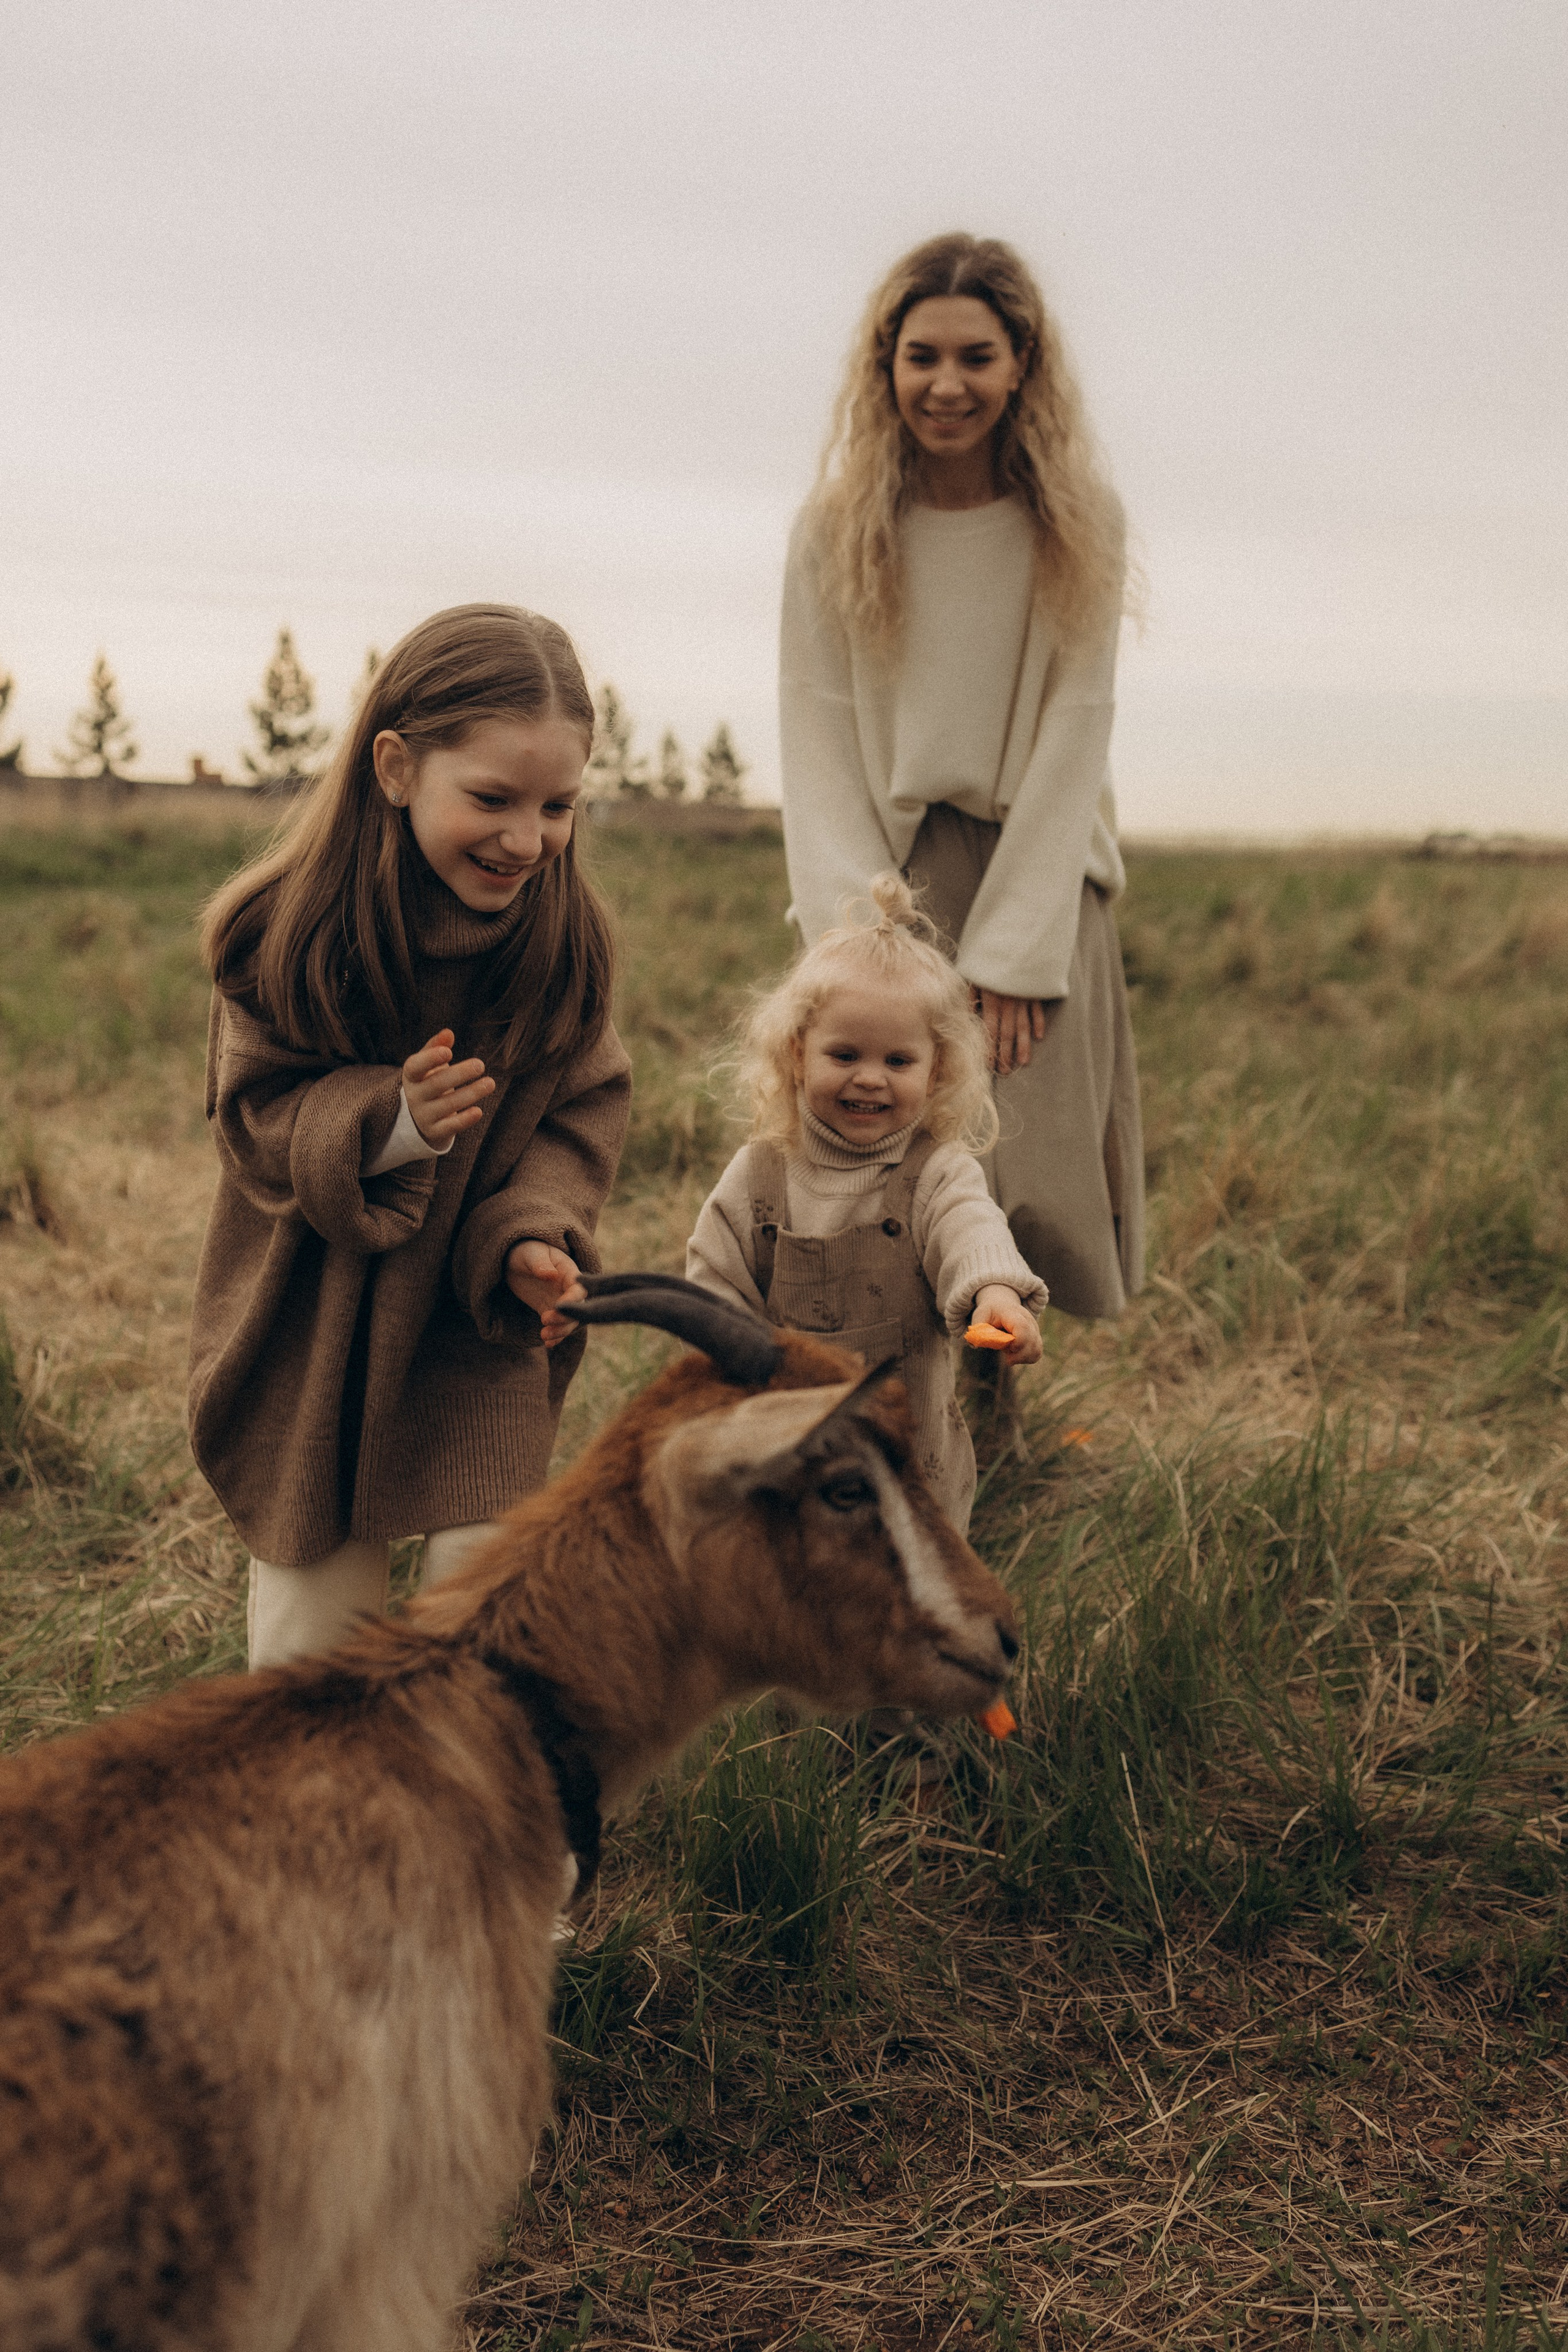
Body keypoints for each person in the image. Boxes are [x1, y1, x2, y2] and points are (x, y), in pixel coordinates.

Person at [190, 604, 631, 1668]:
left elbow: (582, 1108)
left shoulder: (562, 944)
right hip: (319, 1319)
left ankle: (507, 1828)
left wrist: (536, 1232)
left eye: (558, 806)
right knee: (315, 1637)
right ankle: (321, 1824)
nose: (527, 839)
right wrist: (386, 1123)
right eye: (491, 798)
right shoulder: (289, 934)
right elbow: (255, 1116)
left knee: (486, 1621)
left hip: (474, 1328)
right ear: (396, 767)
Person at [780, 231, 1144, 1322]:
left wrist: (1018, 954)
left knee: (1024, 1168)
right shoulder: (836, 528)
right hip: (887, 877)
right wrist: (854, 937)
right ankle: (879, 1405)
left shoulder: (1076, 522)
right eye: (922, 356)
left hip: (1037, 873)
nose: (947, 385)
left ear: (1021, 364)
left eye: (976, 357)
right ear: (885, 367)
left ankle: (1002, 1403)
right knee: (879, 1146)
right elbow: (817, 727)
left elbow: (1077, 727)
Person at [686, 874, 1046, 1533]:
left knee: (912, 1600)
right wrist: (726, 1370)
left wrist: (995, 1292)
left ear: (936, 1070)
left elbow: (971, 1231)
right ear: (798, 1055)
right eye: (844, 1054)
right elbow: (714, 1278)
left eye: (898, 1061)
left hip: (911, 1459)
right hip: (783, 1448)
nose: (870, 1078)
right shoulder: (760, 1173)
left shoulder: (935, 1172)